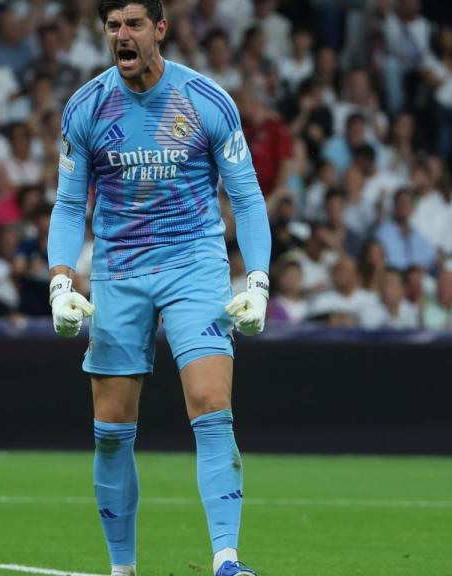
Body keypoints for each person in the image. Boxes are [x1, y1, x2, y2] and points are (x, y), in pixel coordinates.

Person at [46, 3, 270, 576]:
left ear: (160, 30)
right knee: (112, 430)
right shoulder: (86, 108)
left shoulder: (205, 100)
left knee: (211, 404)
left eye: (134, 24)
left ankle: (226, 558)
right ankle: (123, 569)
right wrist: (60, 281)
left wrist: (259, 280)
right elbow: (71, 204)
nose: (122, 35)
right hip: (120, 273)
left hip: (194, 265)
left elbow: (246, 197)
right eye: (113, 25)